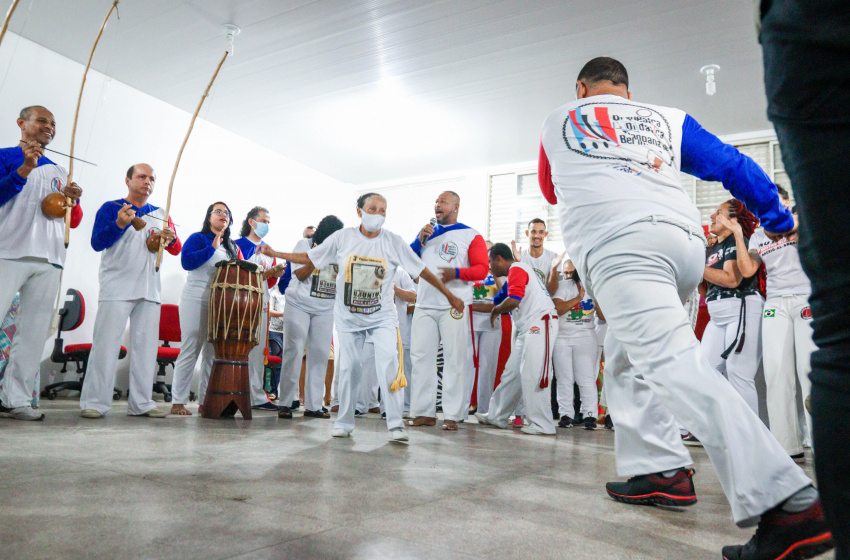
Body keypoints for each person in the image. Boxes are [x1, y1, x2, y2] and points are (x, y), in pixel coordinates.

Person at [538, 57, 831, 559]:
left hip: (621, 244)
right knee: (627, 357)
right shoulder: (662, 118)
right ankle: (661, 470)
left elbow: (549, 189)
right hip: (682, 244)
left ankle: (789, 502)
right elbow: (731, 165)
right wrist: (778, 217)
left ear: (582, 87)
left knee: (673, 362)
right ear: (628, 94)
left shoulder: (560, 117)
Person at [261, 193, 464, 441]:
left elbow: (422, 270)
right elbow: (309, 258)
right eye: (372, 208)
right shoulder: (342, 238)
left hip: (382, 317)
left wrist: (448, 295)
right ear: (359, 211)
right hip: (349, 318)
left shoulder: (393, 242)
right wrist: (275, 252)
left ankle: (396, 424)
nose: (377, 214)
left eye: (382, 210)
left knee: (389, 365)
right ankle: (345, 422)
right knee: (348, 367)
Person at [761, 5, 850, 553]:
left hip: (800, 27)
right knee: (797, 369)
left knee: (833, 344)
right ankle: (788, 447)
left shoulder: (788, 219)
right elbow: (745, 269)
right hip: (781, 300)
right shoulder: (761, 230)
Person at [0, 105, 83, 421]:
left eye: (53, 123)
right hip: (7, 251)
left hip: (49, 258)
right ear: (22, 123)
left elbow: (70, 221)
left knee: (33, 333)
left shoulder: (61, 171)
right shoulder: (5, 156)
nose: (49, 126)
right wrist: (23, 169)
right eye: (42, 120)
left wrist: (73, 200)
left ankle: (14, 399)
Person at [79, 164, 180, 419]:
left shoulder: (161, 213)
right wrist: (118, 224)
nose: (148, 182)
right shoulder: (111, 207)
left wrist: (171, 237)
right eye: (142, 176)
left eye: (152, 178)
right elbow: (96, 242)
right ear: (128, 180)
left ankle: (142, 403)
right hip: (117, 285)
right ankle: (94, 402)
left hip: (149, 289)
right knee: (106, 345)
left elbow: (176, 249)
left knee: (146, 350)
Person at [721, 187, 814, 463]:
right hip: (775, 303)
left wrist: (794, 221)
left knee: (809, 372)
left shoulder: (800, 221)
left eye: (779, 203)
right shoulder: (760, 236)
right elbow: (748, 270)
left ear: (786, 203)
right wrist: (739, 234)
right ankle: (788, 445)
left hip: (806, 298)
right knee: (776, 374)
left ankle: (824, 443)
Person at [408, 191, 489, 431]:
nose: (437, 205)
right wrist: (418, 240)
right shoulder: (427, 233)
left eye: (442, 201)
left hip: (454, 305)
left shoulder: (470, 235)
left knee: (454, 360)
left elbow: (482, 270)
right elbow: (409, 261)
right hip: (424, 303)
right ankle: (423, 412)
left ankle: (453, 415)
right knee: (421, 358)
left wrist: (457, 273)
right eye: (436, 202)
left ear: (456, 206)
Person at [474, 243, 558, 435]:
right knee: (512, 373)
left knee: (533, 374)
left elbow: (513, 301)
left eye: (490, 262)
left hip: (541, 322)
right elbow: (500, 298)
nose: (489, 267)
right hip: (527, 327)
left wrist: (496, 310)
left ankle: (542, 424)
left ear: (498, 259)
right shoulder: (514, 273)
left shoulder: (518, 269)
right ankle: (497, 415)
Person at [169, 202, 242, 416]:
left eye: (226, 213)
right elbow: (187, 262)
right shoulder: (198, 238)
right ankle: (178, 402)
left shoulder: (232, 248)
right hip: (196, 297)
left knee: (212, 353)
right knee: (191, 347)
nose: (223, 215)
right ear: (209, 217)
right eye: (218, 212)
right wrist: (211, 247)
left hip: (220, 303)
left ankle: (206, 401)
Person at [700, 200, 765, 417]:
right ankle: (712, 427)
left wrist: (697, 266)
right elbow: (703, 289)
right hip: (717, 313)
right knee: (704, 371)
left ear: (733, 220)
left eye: (718, 213)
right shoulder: (713, 246)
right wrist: (699, 256)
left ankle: (751, 437)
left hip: (741, 308)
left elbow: (731, 279)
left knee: (739, 375)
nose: (712, 216)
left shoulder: (740, 242)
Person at [275, 215, 343, 419]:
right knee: (293, 351)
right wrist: (317, 257)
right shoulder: (303, 244)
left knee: (320, 354)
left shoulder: (339, 250)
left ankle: (314, 405)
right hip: (299, 304)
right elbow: (301, 275)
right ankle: (286, 402)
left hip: (325, 307)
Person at [234, 206, 287, 412]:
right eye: (263, 220)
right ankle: (236, 390)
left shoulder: (268, 250)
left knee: (256, 351)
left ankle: (255, 394)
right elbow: (239, 272)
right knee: (239, 348)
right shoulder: (237, 244)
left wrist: (275, 272)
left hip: (261, 302)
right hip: (240, 302)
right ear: (251, 222)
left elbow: (269, 282)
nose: (267, 225)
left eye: (269, 222)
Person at [551, 260, 598, 430]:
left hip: (586, 336)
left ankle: (590, 415)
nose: (568, 275)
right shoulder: (563, 286)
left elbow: (602, 315)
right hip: (562, 337)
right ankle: (566, 414)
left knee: (586, 378)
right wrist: (578, 298)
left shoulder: (592, 285)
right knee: (564, 378)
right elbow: (558, 308)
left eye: (572, 272)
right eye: (566, 272)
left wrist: (597, 295)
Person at [469, 241, 503, 416]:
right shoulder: (470, 267)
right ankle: (460, 409)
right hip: (470, 324)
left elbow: (503, 299)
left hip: (491, 325)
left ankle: (484, 410)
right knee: (466, 366)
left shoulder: (498, 272)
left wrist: (494, 274)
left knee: (487, 368)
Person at [513, 218, 559, 295]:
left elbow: (551, 292)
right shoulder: (519, 257)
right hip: (524, 303)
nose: (537, 236)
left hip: (545, 304)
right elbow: (515, 288)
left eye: (541, 232)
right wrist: (517, 263)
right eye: (533, 231)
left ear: (545, 234)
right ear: (527, 233)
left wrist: (554, 269)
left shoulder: (553, 258)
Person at [267, 282, 285, 400]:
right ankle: (274, 391)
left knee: (287, 362)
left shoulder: (290, 295)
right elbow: (270, 311)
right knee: (277, 362)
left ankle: (285, 393)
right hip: (275, 331)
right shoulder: (274, 294)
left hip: (289, 330)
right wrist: (284, 314)